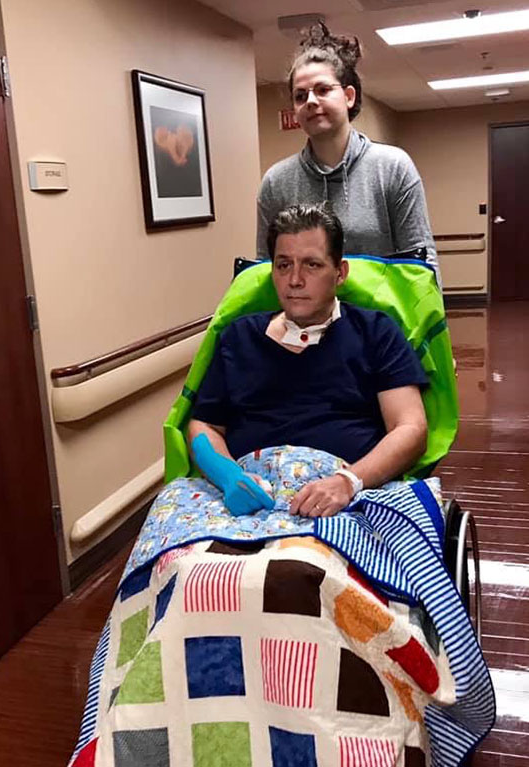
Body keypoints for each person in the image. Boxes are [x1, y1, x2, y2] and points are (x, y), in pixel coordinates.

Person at [188, 203, 428, 519]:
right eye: (283, 265)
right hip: (247, 496)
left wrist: (349, 481)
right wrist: (229, 476)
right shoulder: (238, 337)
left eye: (312, 265)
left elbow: (411, 427)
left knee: (307, 568)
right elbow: (203, 424)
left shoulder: (375, 333)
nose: (295, 280)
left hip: (350, 495)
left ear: (340, 273)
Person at [256, 22, 440, 282]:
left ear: (349, 96)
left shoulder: (392, 167)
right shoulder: (277, 182)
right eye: (300, 96)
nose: (310, 101)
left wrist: (429, 320)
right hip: (305, 322)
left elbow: (423, 262)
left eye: (322, 90)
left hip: (380, 320)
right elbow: (266, 268)